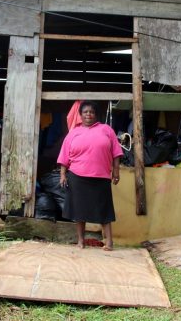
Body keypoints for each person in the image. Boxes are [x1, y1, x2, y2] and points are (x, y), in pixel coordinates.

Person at [57, 101, 123, 250]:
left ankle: (109, 242)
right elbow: (64, 156)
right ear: (80, 115)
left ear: (96, 114)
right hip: (77, 176)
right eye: (85, 112)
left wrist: (116, 171)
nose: (88, 114)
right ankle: (81, 241)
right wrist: (63, 174)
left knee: (104, 210)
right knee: (79, 211)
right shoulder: (74, 132)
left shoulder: (106, 130)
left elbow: (116, 153)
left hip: (101, 177)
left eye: (91, 112)